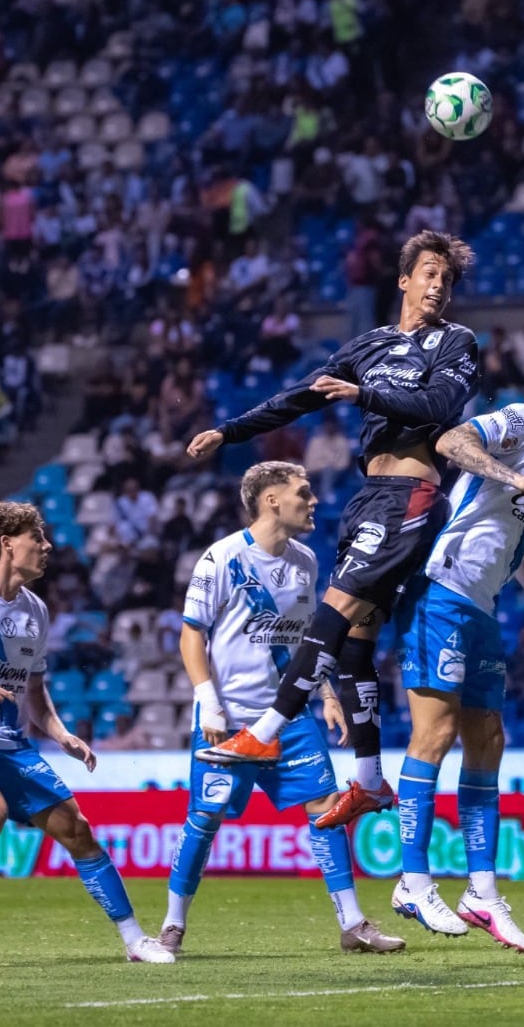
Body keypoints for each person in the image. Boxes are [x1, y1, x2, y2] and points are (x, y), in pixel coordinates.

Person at [187, 231, 480, 838]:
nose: (437, 285)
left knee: (336, 607)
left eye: (446, 279)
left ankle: (265, 732)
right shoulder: (369, 345)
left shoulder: (456, 342)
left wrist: (365, 392)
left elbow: (440, 404)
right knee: (353, 645)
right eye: (428, 273)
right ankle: (370, 779)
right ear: (402, 280)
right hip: (370, 496)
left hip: (412, 493)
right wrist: (230, 431)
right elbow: (300, 397)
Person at [390, 354, 524, 953]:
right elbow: (453, 439)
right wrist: (514, 477)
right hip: (444, 587)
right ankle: (412, 881)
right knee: (433, 737)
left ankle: (481, 892)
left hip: (483, 607)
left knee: (488, 739)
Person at [0, 501, 172, 966]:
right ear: (8, 544)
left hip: (8, 742)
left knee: (78, 829)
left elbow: (34, 692)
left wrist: (61, 733)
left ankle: (134, 940)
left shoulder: (36, 612)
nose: (47, 546)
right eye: (37, 538)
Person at [164, 462, 404, 957]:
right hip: (227, 721)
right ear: (271, 499)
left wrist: (328, 695)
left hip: (287, 718)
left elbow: (306, 643)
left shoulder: (305, 562)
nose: (313, 500)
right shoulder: (221, 559)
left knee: (325, 810)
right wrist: (208, 701)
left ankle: (353, 924)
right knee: (205, 819)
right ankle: (172, 925)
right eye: (303, 492)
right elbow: (192, 634)